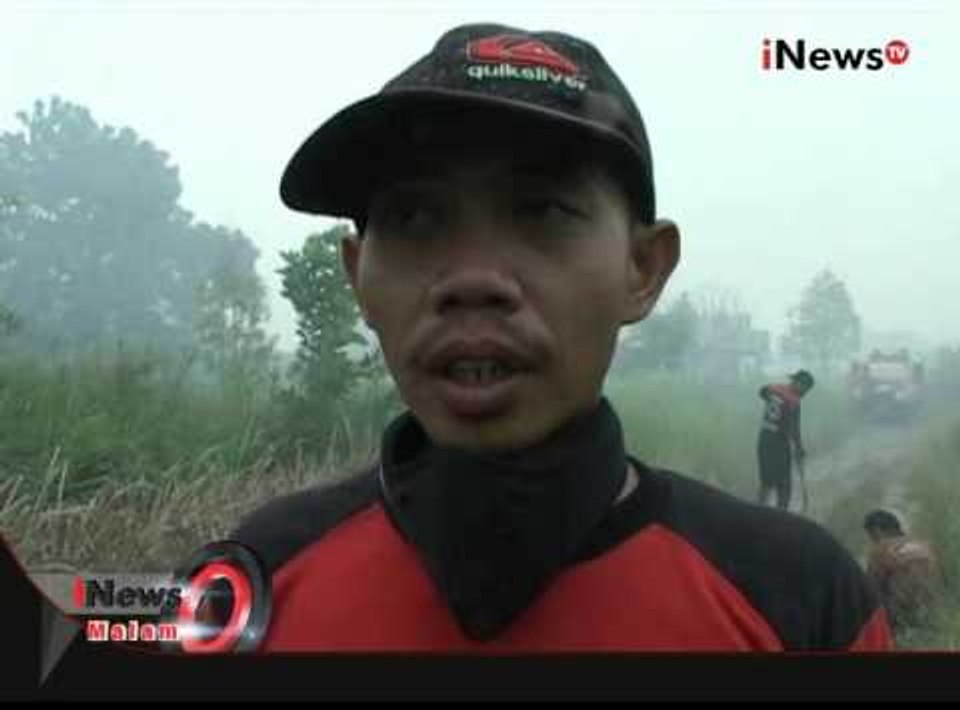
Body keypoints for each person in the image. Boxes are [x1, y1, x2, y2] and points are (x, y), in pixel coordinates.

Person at [230, 23, 891, 651]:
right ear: (358, 278)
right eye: (413, 216)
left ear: (644, 269)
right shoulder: (252, 591)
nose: (474, 281)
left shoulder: (803, 602)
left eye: (542, 211)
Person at [864, 509, 943, 638]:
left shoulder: (879, 551)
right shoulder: (926, 545)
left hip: (901, 620)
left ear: (876, 531)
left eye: (870, 536)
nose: (871, 540)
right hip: (932, 616)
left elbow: (870, 591)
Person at [756, 370, 814, 511]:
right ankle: (781, 515)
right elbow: (794, 430)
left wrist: (775, 396)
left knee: (766, 483)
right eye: (805, 388)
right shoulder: (794, 401)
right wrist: (799, 448)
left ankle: (758, 511)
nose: (805, 392)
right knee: (784, 486)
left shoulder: (775, 389)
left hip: (763, 439)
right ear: (798, 383)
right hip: (778, 443)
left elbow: (762, 391)